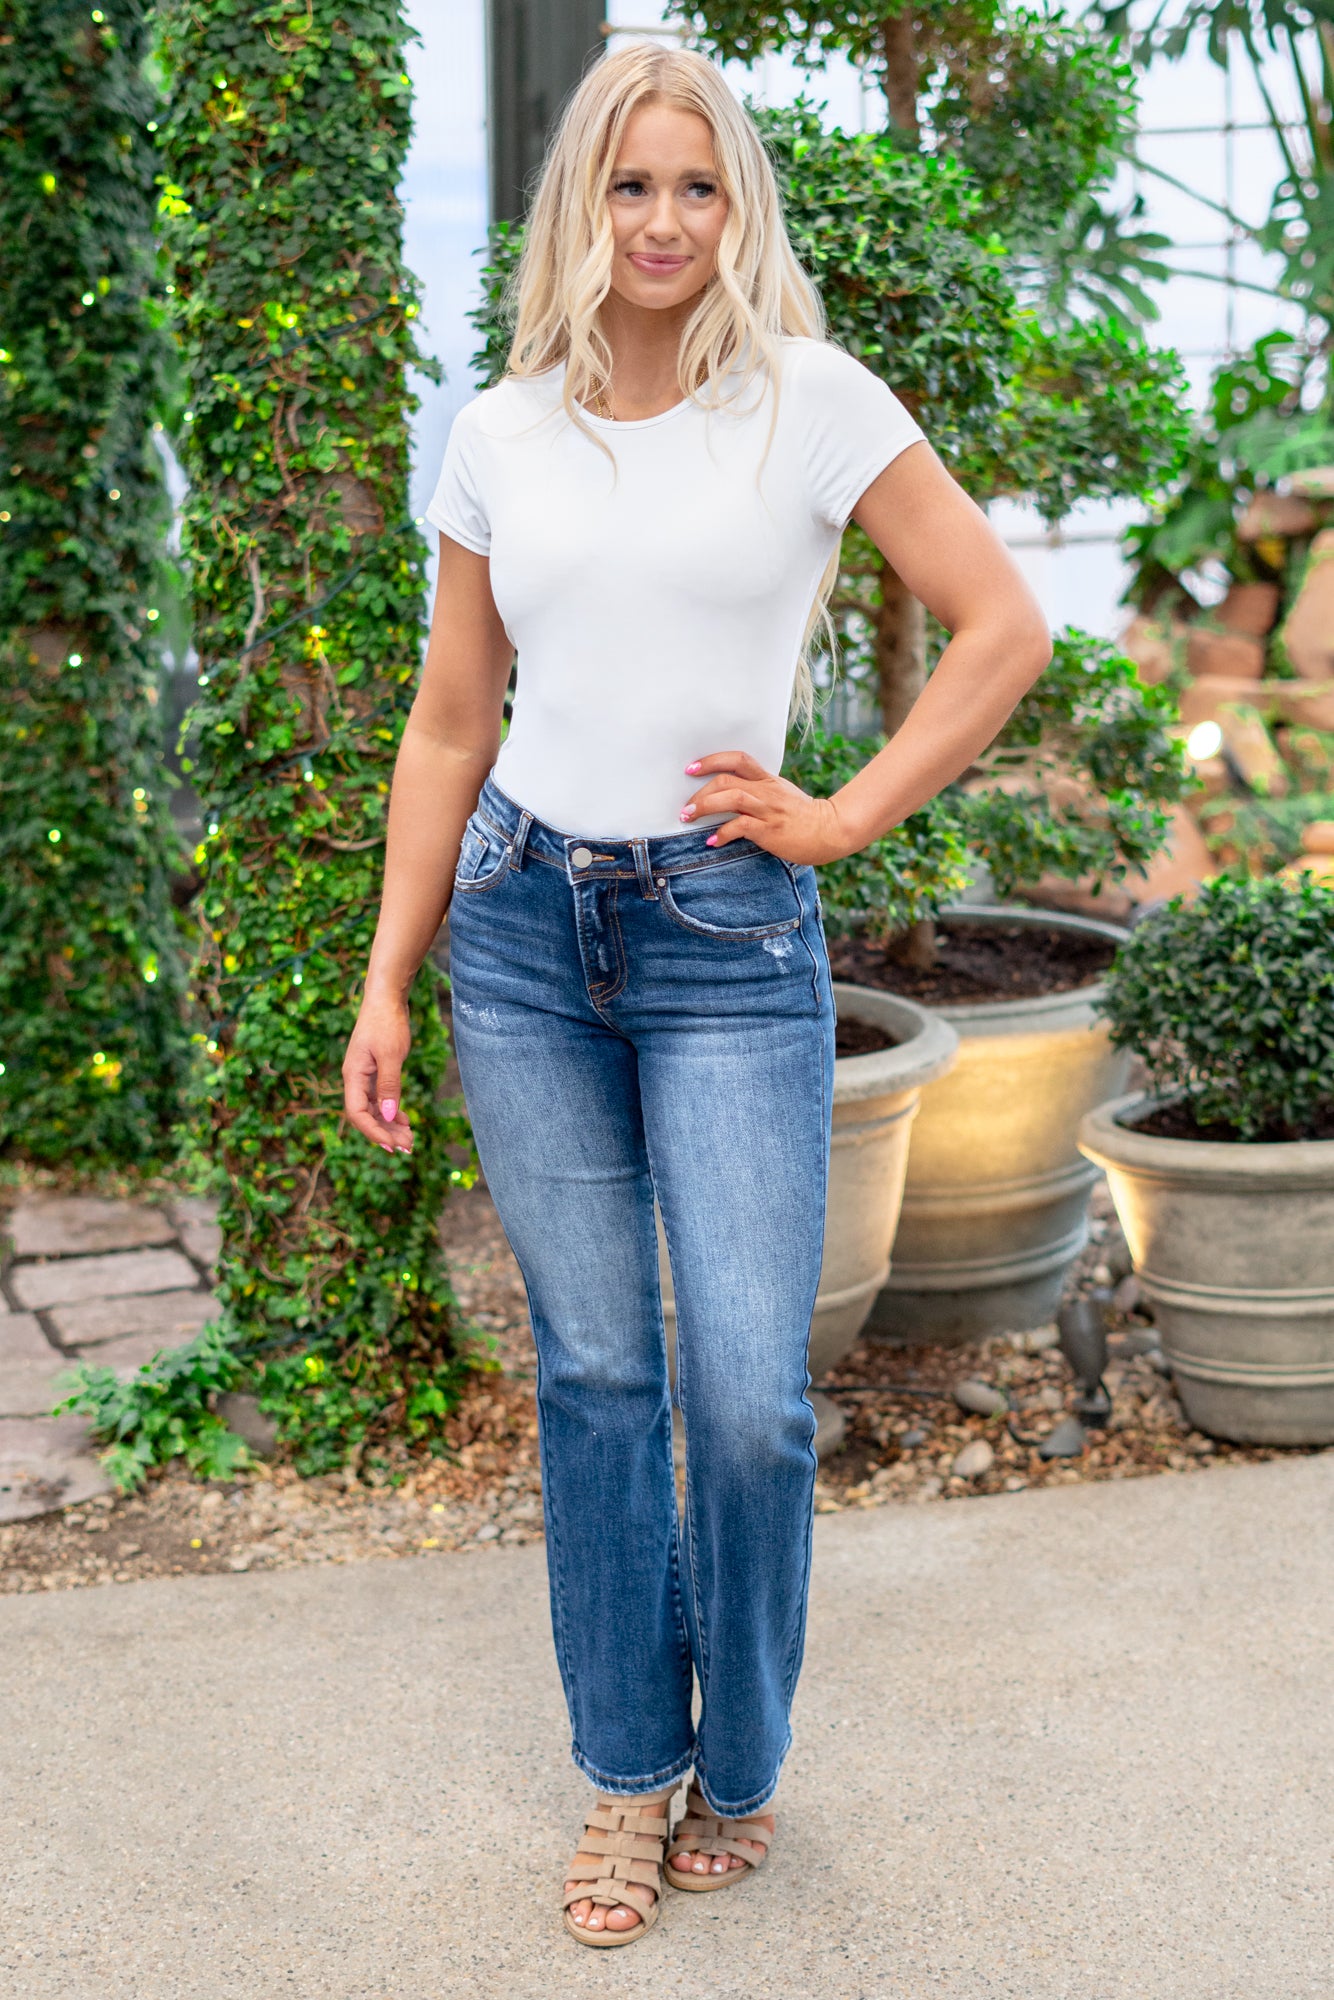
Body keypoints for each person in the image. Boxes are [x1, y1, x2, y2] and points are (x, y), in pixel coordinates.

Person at [341, 39, 1051, 1950]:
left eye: (699, 185)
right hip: (518, 929)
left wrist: (843, 816)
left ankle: (740, 1761)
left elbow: (1001, 627)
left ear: (740, 204)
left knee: (746, 1396)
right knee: (593, 1372)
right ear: (582, 201)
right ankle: (624, 1773)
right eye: (630, 184)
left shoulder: (808, 402)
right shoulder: (500, 431)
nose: (662, 223)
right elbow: (449, 720)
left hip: (724, 937)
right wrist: (389, 973)